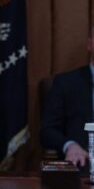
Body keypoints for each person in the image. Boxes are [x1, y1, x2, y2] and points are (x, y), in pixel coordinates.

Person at [40, 28, 94, 170]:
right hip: (83, 162)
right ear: (89, 44)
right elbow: (48, 131)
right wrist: (70, 145)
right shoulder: (66, 83)